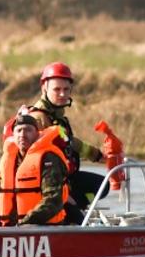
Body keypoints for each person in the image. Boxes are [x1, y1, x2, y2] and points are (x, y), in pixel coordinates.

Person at [21, 62, 116, 214]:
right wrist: (63, 194)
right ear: (44, 88)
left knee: (102, 186)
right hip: (48, 184)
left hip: (65, 178)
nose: (62, 94)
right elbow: (39, 164)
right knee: (79, 214)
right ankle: (70, 207)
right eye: (57, 89)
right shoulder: (38, 119)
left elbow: (71, 142)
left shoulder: (56, 117)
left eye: (66, 89)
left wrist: (98, 156)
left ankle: (77, 205)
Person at [0, 114, 76, 226]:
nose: (22, 134)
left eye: (28, 130)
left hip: (43, 227)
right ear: (13, 135)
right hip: (9, 228)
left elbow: (53, 199)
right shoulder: (8, 159)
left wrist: (25, 223)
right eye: (19, 130)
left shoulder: (49, 158)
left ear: (37, 134)